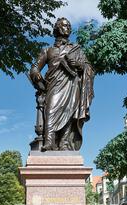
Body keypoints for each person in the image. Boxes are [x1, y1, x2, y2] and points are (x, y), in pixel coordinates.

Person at [29, 17, 94, 151]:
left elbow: (89, 68)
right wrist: (36, 73)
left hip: (72, 85)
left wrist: (80, 65)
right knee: (51, 111)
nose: (68, 28)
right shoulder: (48, 50)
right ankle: (49, 141)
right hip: (54, 85)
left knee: (69, 111)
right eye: (64, 26)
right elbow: (35, 67)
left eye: (69, 26)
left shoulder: (76, 49)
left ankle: (64, 143)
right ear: (57, 28)